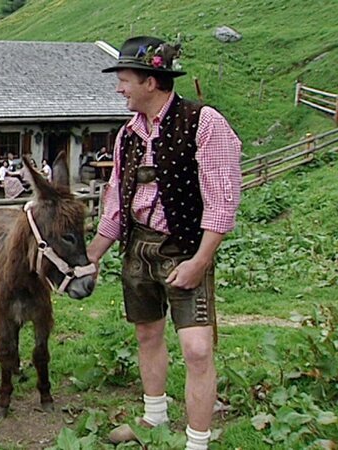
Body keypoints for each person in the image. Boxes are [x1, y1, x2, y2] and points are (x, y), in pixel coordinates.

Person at [85, 36, 241, 450]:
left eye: (124, 79)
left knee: (197, 348)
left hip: (184, 249)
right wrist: (93, 256)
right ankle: (153, 418)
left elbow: (221, 202)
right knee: (147, 335)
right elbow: (117, 201)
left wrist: (200, 261)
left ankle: (197, 442)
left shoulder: (204, 122)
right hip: (138, 249)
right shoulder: (127, 135)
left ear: (150, 82)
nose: (119, 88)